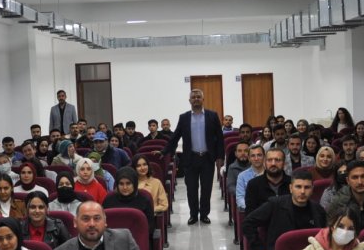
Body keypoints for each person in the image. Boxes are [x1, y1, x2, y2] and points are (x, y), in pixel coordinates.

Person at [243, 169, 326, 250]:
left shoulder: (318, 210)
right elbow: (248, 223)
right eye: (298, 187)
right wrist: (260, 249)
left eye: (307, 187)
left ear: (312, 189)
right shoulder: (275, 205)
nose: (302, 191)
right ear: (291, 188)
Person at [159, 88, 224, 225]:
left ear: (203, 99)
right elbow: (175, 137)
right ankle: (193, 215)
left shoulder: (212, 116)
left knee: (206, 189)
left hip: (207, 158)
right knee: (191, 189)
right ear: (189, 100)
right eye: (193, 97)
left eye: (198, 97)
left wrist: (220, 157)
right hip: (190, 158)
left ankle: (204, 214)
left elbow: (219, 137)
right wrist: (164, 151)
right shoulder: (184, 117)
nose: (196, 99)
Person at [329, 160, 364, 231]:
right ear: (348, 181)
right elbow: (331, 231)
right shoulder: (337, 203)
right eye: (355, 177)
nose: (360, 182)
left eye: (363, 176)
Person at [103, 167, 156, 236]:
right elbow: (103, 224)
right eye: (121, 184)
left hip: (138, 238)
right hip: (112, 238)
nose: (125, 187)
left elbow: (150, 227)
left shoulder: (144, 200)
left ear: (134, 184)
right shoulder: (109, 200)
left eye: (128, 183)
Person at [244, 148, 291, 215]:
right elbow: (250, 214)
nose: (273, 163)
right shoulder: (253, 184)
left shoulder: (292, 183)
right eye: (269, 160)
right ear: (264, 163)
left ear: (284, 163)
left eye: (277, 160)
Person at [236, 144, 266, 211]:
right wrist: (254, 209)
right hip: (251, 212)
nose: (256, 158)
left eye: (259, 155)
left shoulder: (271, 174)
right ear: (249, 158)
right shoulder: (242, 176)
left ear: (264, 157)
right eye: (253, 156)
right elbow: (240, 199)